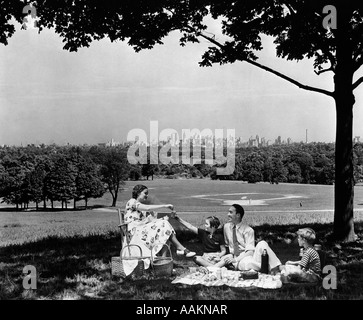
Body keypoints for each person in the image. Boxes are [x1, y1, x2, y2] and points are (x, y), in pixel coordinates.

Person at [124, 184, 196, 258]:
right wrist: (165, 206)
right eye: (145, 193)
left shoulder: (142, 208)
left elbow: (153, 221)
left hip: (142, 231)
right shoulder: (132, 202)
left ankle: (165, 258)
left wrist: (165, 219)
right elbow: (147, 208)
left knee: (165, 226)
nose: (147, 195)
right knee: (165, 225)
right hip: (133, 232)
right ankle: (180, 249)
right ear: (138, 192)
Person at [215, 204, 282, 273]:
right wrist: (222, 256)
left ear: (238, 215)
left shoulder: (248, 230)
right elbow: (227, 245)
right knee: (248, 263)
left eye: (231, 212)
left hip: (247, 256)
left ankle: (276, 267)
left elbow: (250, 252)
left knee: (262, 243)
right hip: (238, 259)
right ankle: (274, 268)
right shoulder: (226, 227)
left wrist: (236, 259)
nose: (228, 214)